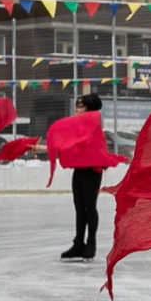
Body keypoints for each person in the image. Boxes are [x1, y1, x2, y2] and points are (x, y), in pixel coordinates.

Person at [58, 94, 108, 261]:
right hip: (79, 171)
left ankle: (91, 243)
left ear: (89, 109)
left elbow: (90, 147)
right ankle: (79, 243)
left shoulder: (94, 127)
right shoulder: (77, 126)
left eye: (80, 106)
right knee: (79, 207)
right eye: (77, 105)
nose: (76, 109)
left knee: (89, 206)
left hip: (92, 171)